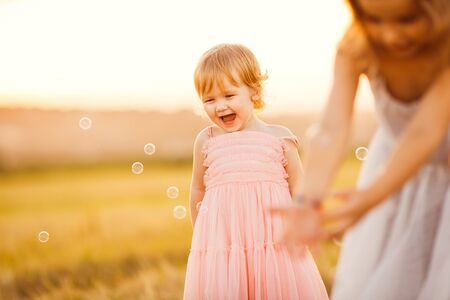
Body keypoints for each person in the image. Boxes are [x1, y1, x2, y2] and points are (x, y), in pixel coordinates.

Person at [270, 0, 450, 299]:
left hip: (406, 172)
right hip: (392, 174)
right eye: (374, 19)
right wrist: (308, 198)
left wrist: (369, 198)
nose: (390, 34)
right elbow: (332, 127)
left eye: (406, 20)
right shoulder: (356, 47)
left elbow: (424, 131)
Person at [182, 43, 329, 299]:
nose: (219, 106)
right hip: (224, 246)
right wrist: (203, 236)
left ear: (254, 90)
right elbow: (197, 189)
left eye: (228, 96)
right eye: (209, 100)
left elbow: (299, 189)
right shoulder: (206, 141)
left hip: (274, 246)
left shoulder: (279, 138)